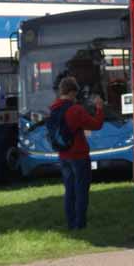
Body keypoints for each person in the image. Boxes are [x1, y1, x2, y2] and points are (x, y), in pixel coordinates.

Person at [51, 76, 104, 230]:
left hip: (63, 155)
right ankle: (79, 224)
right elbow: (96, 125)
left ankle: (70, 223)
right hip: (79, 155)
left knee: (69, 191)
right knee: (81, 191)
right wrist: (99, 108)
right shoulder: (76, 110)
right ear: (73, 92)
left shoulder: (54, 108)